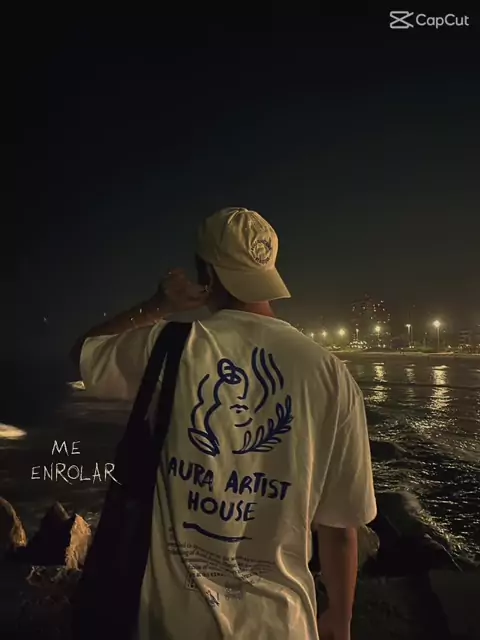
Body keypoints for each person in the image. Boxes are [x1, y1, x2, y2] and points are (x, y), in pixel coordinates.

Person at [72, 207, 376, 640]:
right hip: (282, 625)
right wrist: (340, 618)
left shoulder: (170, 346)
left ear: (208, 274)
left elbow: (83, 354)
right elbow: (341, 528)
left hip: (173, 624)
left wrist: (158, 306)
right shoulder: (331, 373)